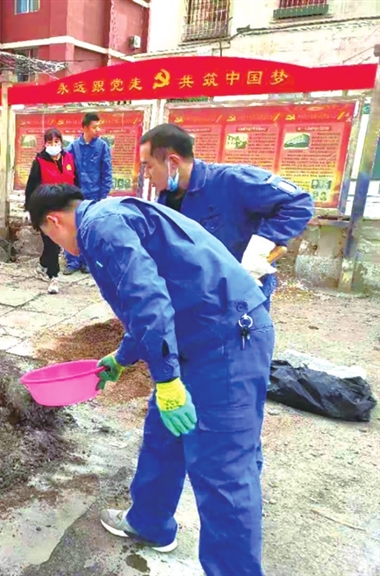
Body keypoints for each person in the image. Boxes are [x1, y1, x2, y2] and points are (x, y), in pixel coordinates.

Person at [27, 183, 275, 576]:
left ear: (53, 221)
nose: (57, 245)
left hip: (227, 339)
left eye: (49, 238)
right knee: (164, 434)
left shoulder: (99, 228)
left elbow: (149, 302)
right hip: (196, 333)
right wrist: (123, 358)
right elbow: (158, 296)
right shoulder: (108, 218)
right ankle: (149, 522)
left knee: (222, 468)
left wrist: (168, 380)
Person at [140, 123, 315, 310]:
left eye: (148, 166)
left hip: (240, 298)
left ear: (172, 163)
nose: (147, 176)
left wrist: (263, 244)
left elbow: (299, 203)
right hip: (195, 299)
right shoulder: (166, 199)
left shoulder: (233, 181)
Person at [24, 127, 79, 295]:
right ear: (45, 144)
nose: (53, 145)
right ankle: (54, 277)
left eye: (56, 142)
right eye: (49, 142)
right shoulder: (39, 162)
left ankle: (42, 264)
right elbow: (30, 187)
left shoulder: (69, 159)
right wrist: (28, 209)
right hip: (45, 210)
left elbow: (77, 181)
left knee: (54, 244)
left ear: (61, 143)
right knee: (52, 243)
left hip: (65, 209)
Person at [63, 112, 113, 275]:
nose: (98, 130)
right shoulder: (72, 148)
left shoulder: (102, 147)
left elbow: (107, 172)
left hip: (94, 197)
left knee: (90, 230)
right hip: (75, 196)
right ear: (84, 128)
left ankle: (87, 262)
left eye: (99, 126)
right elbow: (66, 171)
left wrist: (103, 195)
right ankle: (72, 261)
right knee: (72, 228)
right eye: (94, 127)